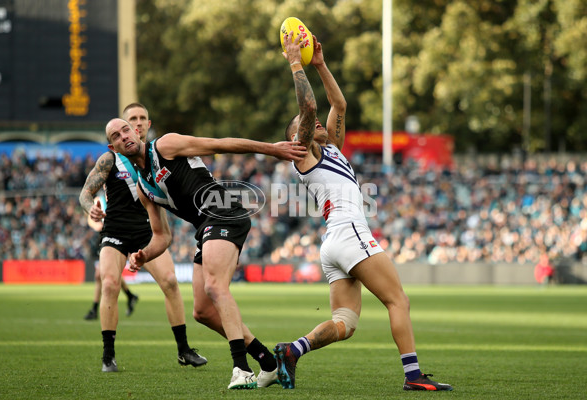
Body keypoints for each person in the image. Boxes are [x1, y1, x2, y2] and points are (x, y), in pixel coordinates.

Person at [273, 31, 453, 392]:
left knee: (345, 323)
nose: (316, 123)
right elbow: (308, 109)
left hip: (335, 243)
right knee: (397, 300)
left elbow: (337, 104)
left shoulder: (331, 150)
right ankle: (413, 376)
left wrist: (320, 64)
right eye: (306, 126)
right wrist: (295, 62)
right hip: (350, 232)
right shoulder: (303, 151)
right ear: (299, 137)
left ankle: (292, 351)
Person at [104, 116, 307, 389]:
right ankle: (269, 363)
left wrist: (273, 149)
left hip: (223, 212)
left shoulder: (165, 145)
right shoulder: (143, 188)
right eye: (116, 136)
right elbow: (163, 237)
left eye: (126, 129)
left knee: (215, 286)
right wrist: (143, 255)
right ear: (113, 148)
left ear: (137, 132)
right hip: (207, 227)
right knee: (202, 312)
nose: (124, 136)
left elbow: (220, 144)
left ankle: (241, 368)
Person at [79, 103, 207, 372]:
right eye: (130, 121)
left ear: (147, 125)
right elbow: (85, 192)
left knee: (171, 282)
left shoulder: (155, 154)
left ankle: (184, 350)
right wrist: (89, 206)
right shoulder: (111, 158)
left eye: (140, 119)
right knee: (110, 283)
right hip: (114, 230)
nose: (135, 125)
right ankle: (108, 356)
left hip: (146, 231)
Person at [83, 197, 139, 321]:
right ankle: (130, 296)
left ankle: (95, 309)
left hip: (114, 234)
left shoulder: (115, 192)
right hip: (106, 234)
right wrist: (98, 223)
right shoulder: (100, 197)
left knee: (102, 274)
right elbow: (90, 219)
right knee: (102, 274)